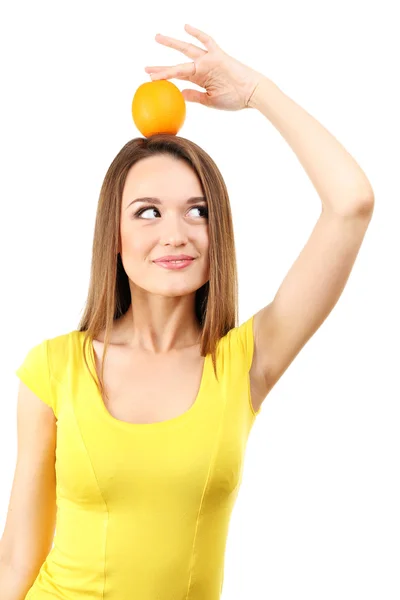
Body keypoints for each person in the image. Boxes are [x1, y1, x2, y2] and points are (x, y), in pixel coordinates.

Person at [0, 24, 374, 600]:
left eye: (197, 211)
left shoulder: (246, 363)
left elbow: (351, 203)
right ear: (115, 238)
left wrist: (255, 92)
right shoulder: (51, 371)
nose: (175, 234)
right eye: (148, 212)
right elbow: (14, 569)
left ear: (217, 230)